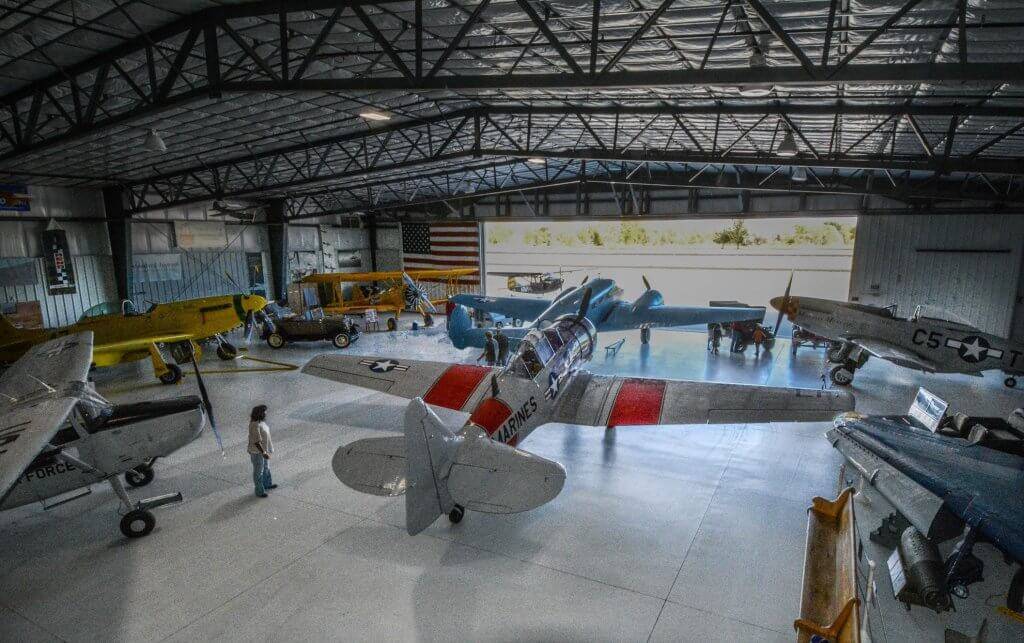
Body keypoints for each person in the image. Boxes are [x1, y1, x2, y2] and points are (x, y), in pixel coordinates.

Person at [247, 404, 277, 498]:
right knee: (258, 471)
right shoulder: (254, 425)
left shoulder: (261, 423)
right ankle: (259, 491)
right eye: (264, 412)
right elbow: (256, 441)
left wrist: (266, 451)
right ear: (259, 413)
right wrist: (263, 453)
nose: (266, 414)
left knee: (266, 468)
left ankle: (267, 484)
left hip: (264, 450)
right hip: (257, 453)